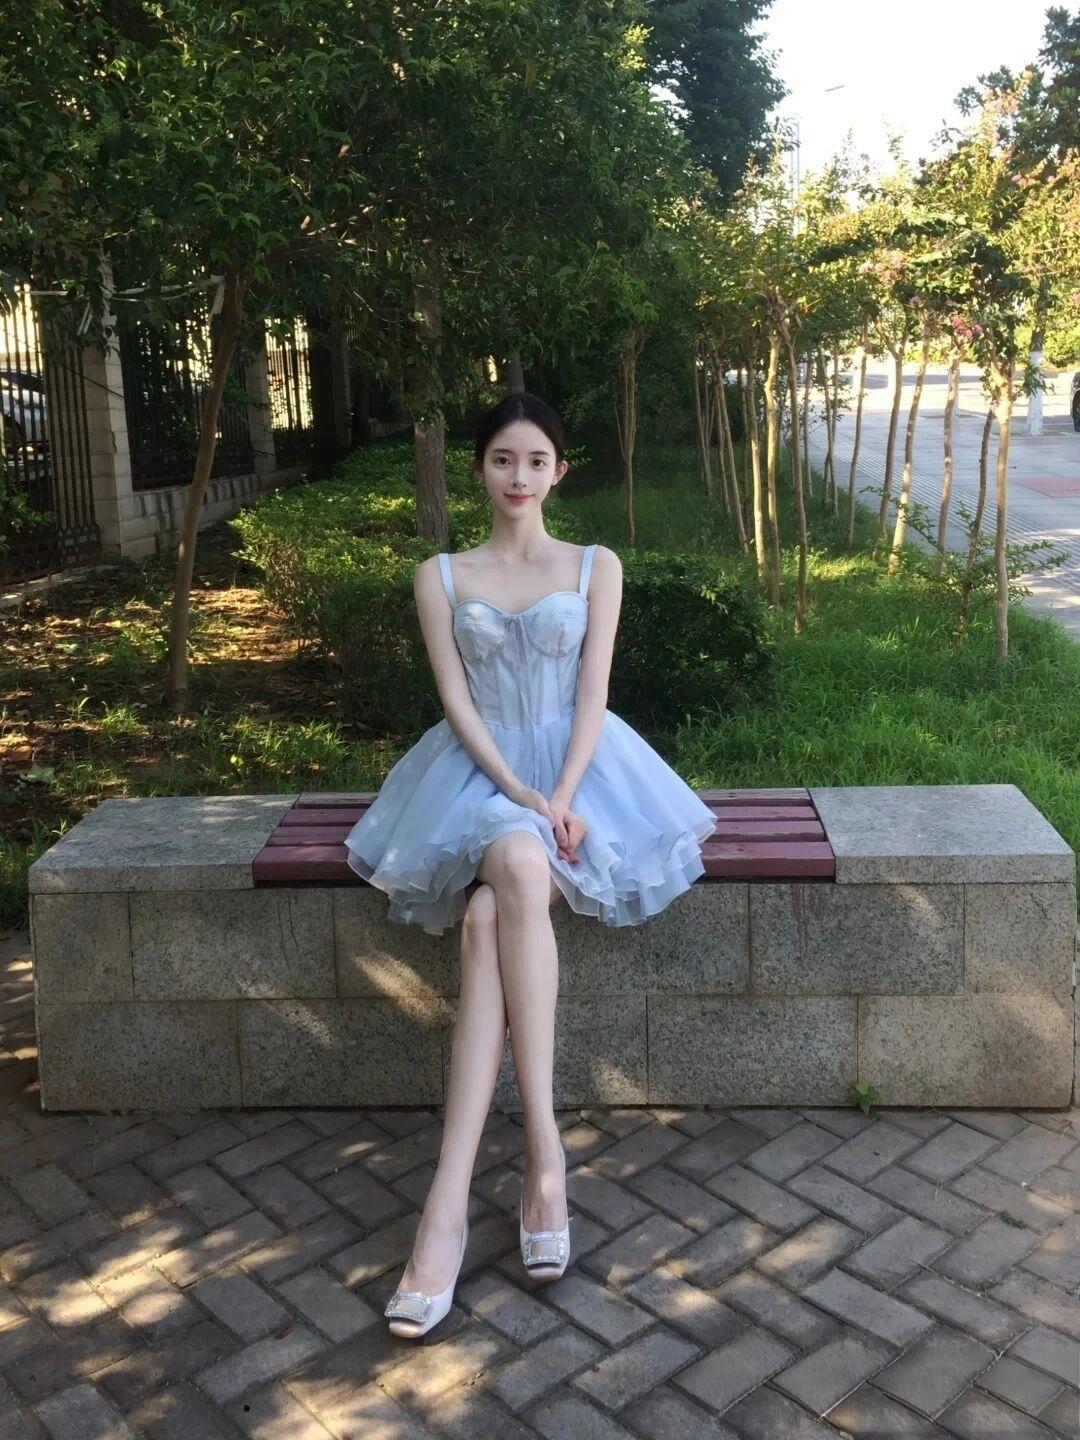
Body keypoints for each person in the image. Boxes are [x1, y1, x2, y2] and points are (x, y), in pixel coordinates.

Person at [344, 392, 717, 1338]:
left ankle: (448, 1205)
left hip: (585, 774)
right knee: (513, 863)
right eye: (503, 459)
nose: (519, 476)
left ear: (559, 471)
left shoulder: (595, 566)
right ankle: (543, 1155)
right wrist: (517, 789)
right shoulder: (440, 574)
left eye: (536, 460)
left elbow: (593, 696)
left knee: (487, 917)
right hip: (477, 773)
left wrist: (563, 794)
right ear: (480, 468)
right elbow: (456, 703)